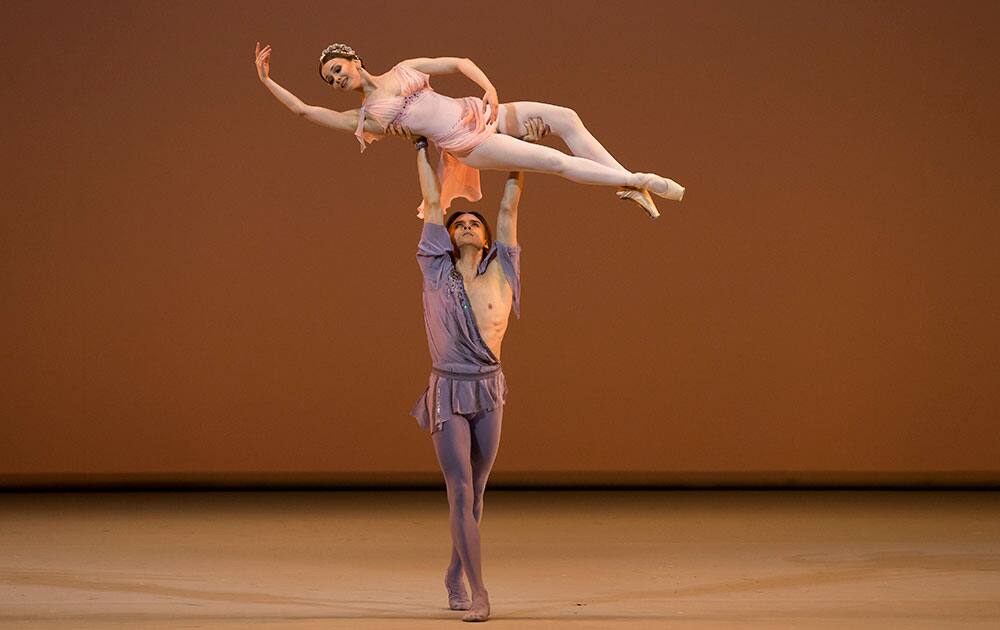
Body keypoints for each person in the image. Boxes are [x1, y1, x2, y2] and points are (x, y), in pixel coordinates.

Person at [253, 42, 685, 219]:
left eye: (337, 70)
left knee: (566, 116)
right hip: (469, 143)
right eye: (330, 80)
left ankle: (626, 184)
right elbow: (305, 112)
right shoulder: (368, 118)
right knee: (555, 162)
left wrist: (490, 89)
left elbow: (458, 63)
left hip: (478, 110)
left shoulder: (405, 69)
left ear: (354, 60)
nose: (336, 80)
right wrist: (268, 82)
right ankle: (637, 180)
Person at [406, 117, 546, 622]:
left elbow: (510, 205)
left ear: (487, 239)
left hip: (489, 390)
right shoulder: (434, 268)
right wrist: (422, 150)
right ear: (446, 239)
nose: (464, 224)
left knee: (478, 491)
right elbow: (435, 202)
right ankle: (479, 590)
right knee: (460, 488)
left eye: (473, 223)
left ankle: (453, 572)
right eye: (457, 224)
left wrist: (522, 149)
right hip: (447, 389)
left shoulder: (504, 267)